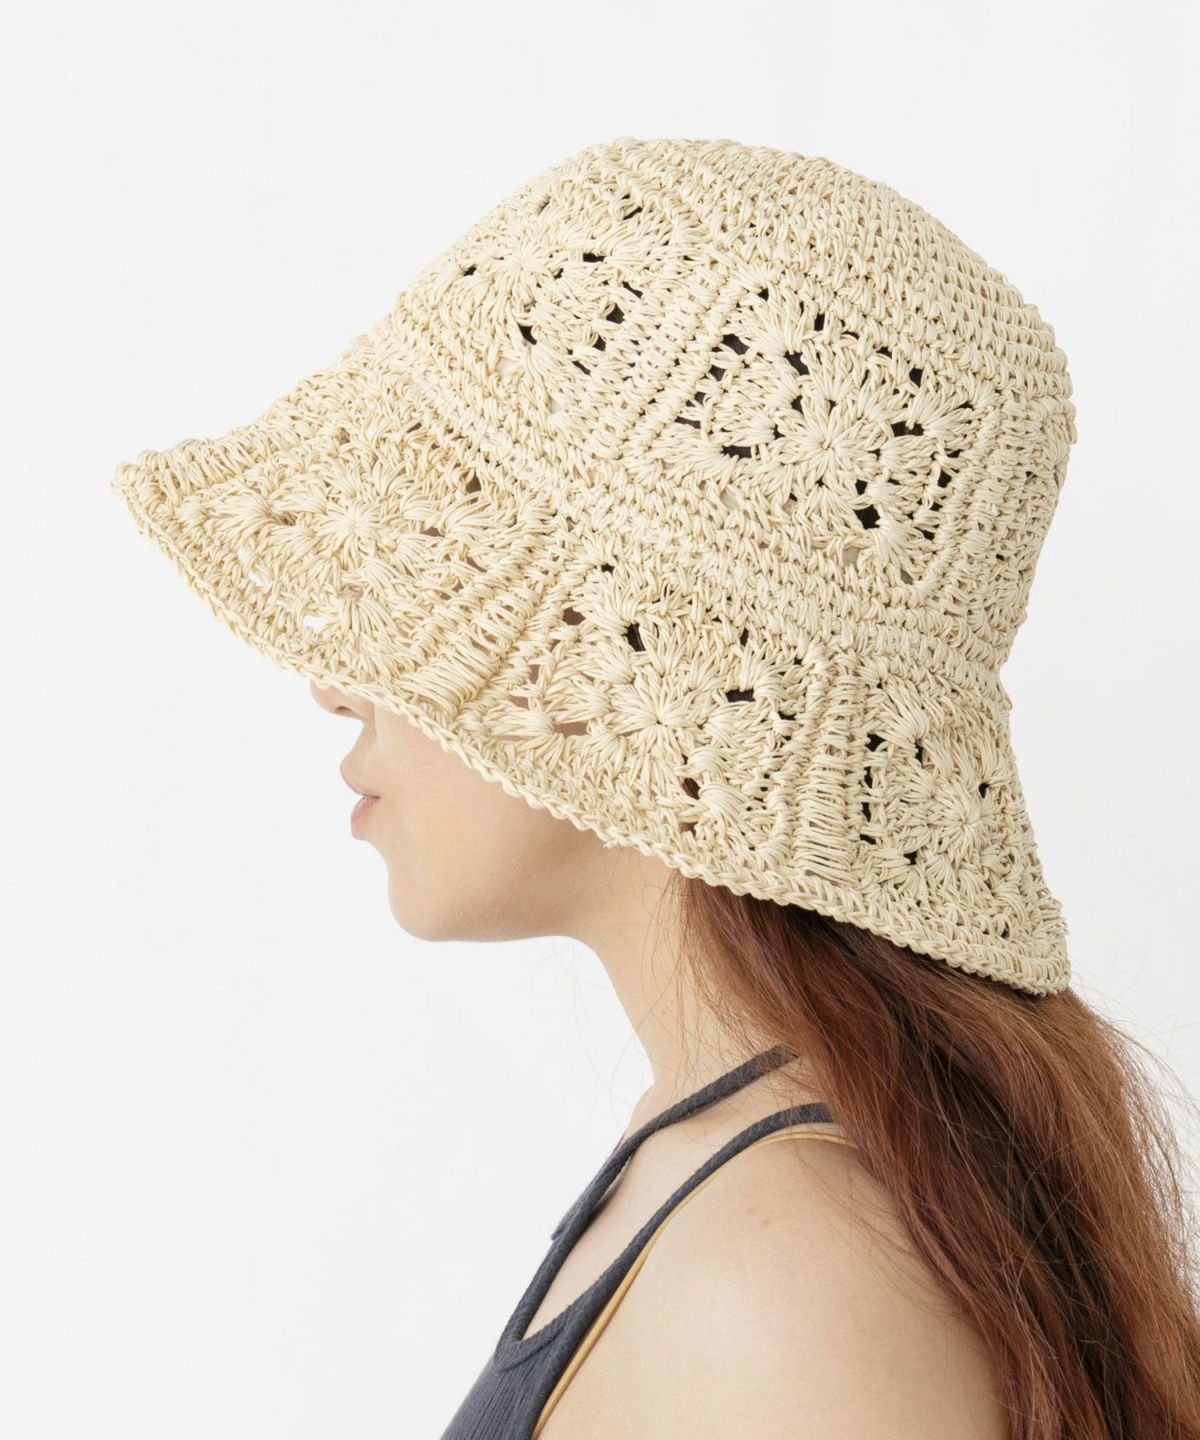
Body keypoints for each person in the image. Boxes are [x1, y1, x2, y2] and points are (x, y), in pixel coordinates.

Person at [111, 137, 1200, 1437]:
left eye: (440, 581)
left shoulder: (779, 1279)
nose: (336, 684)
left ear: (629, 667)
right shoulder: (719, 1171)